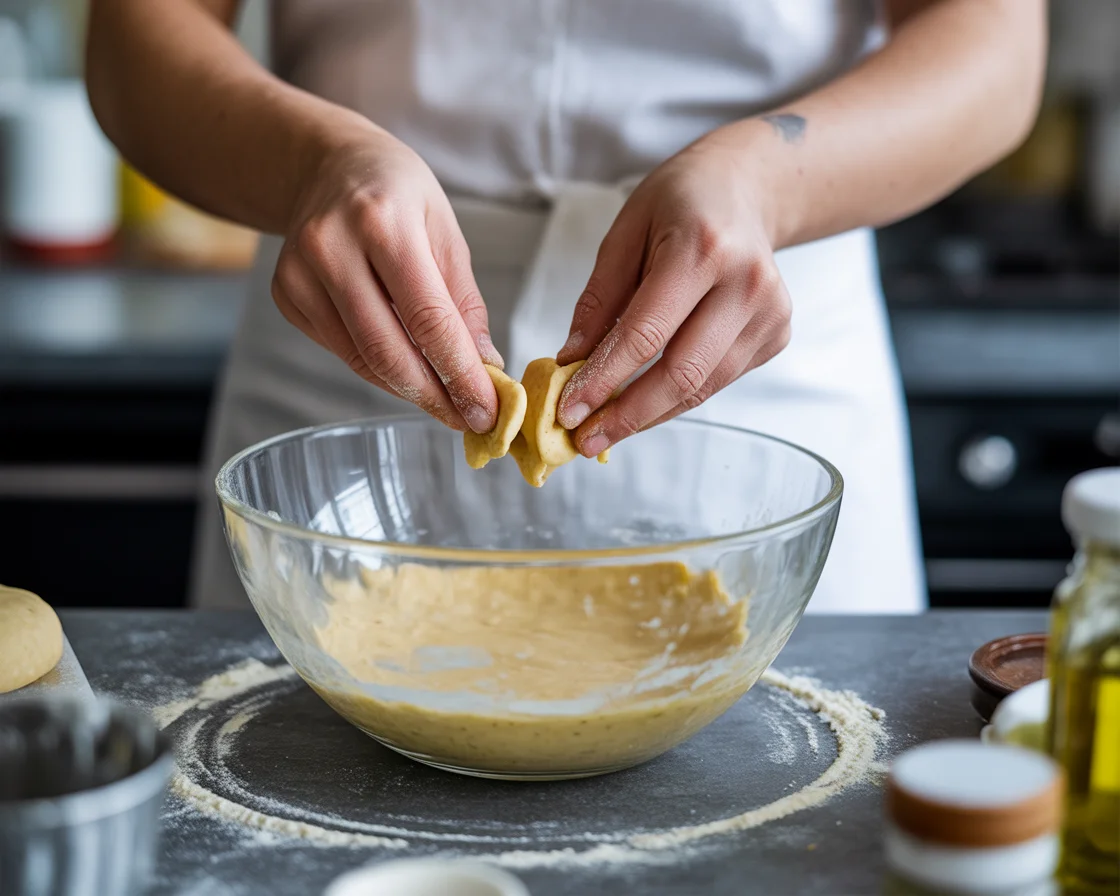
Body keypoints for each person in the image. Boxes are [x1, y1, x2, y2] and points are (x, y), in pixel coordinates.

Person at [87, 0, 1046, 613]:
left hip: (755, 350)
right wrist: (310, 164)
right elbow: (137, 33)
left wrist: (765, 183)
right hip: (349, 346)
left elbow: (995, 41)